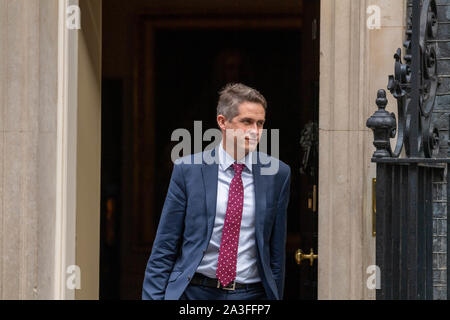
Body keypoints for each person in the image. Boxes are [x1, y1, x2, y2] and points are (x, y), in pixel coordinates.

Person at [142, 83, 291, 300]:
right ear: (222, 122)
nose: (255, 131)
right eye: (246, 122)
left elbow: (276, 253)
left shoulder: (278, 174)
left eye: (260, 123)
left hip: (250, 295)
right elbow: (165, 246)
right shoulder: (188, 170)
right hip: (195, 292)